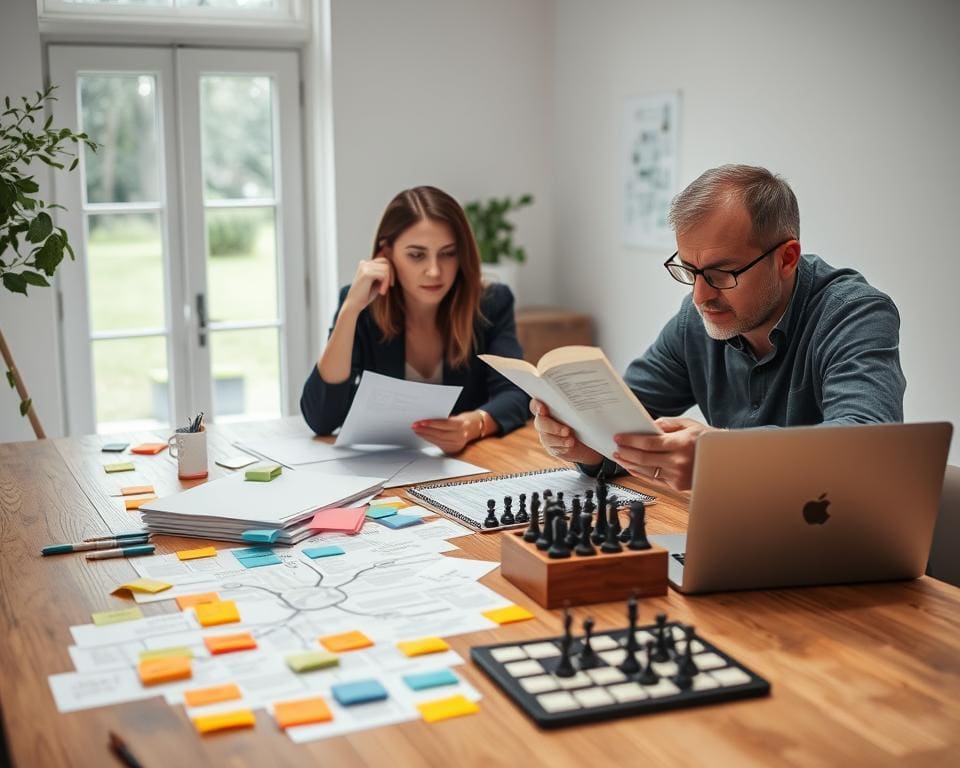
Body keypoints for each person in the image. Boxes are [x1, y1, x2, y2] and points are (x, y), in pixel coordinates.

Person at [532, 164, 906, 490]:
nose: (700, 296)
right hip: (744, 529)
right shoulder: (696, 321)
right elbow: (627, 419)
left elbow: (867, 442)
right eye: (689, 271)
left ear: (787, 259)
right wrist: (590, 447)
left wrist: (723, 456)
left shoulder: (854, 313)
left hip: (843, 542)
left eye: (720, 273)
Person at [301, 185, 530, 452]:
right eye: (416, 255)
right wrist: (350, 309)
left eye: (448, 253)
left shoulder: (491, 303)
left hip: (469, 466)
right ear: (385, 255)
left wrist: (475, 423)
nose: (434, 271)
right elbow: (321, 418)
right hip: (385, 473)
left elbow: (516, 393)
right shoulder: (363, 308)